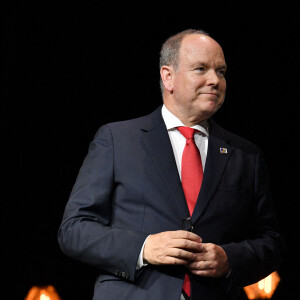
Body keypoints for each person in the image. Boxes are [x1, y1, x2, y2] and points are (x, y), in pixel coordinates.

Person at [58, 29, 284, 300]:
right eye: (201, 69)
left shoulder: (246, 155)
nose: (214, 80)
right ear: (168, 77)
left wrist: (229, 260)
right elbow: (74, 230)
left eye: (221, 71)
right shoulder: (118, 140)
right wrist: (143, 248)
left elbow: (271, 241)